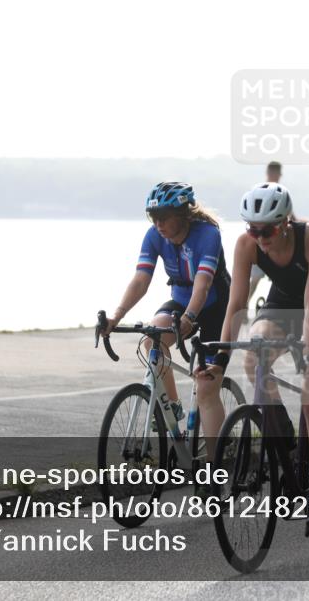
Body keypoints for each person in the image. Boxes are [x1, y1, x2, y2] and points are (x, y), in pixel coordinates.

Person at [195, 182, 309, 530]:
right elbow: (236, 305)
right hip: (281, 304)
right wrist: (219, 362)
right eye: (252, 228)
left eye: (266, 229)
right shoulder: (247, 244)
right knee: (254, 355)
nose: (259, 236)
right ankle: (285, 438)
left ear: (284, 222)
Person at [104, 182, 230, 439]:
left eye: (163, 217)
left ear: (183, 214)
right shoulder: (154, 236)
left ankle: (214, 466)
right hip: (182, 301)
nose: (158, 223)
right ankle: (171, 408)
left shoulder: (208, 234)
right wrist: (116, 316)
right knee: (153, 339)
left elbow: (203, 286)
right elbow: (141, 280)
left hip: (215, 307)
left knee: (206, 387)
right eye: (153, 217)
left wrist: (189, 318)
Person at [247, 161, 285, 304]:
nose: (280, 176)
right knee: (256, 278)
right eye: (278, 174)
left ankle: (246, 307)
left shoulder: (260, 191)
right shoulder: (275, 192)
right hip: (263, 241)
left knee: (256, 279)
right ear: (273, 173)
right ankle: (245, 307)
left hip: (260, 238)